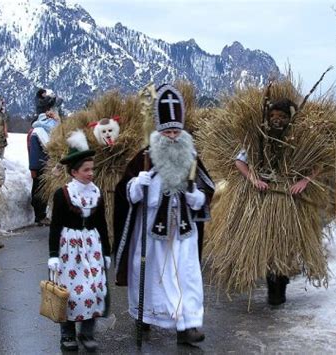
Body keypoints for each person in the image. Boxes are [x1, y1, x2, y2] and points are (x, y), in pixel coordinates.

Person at [113, 84, 214, 345]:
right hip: (150, 231)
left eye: (176, 131)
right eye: (167, 131)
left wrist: (196, 197)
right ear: (158, 131)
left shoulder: (191, 156)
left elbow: (206, 190)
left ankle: (187, 325)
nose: (172, 136)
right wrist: (137, 185)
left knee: (186, 277)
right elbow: (123, 193)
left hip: (183, 232)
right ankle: (144, 316)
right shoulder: (143, 158)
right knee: (150, 275)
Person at [235, 98, 318, 305]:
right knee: (269, 242)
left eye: (281, 116)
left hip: (290, 200)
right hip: (266, 199)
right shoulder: (259, 140)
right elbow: (238, 161)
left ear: (290, 118)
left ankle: (282, 281)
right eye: (272, 116)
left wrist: (304, 181)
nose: (276, 120)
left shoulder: (299, 139)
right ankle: (273, 285)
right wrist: (254, 179)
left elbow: (320, 162)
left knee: (286, 242)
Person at [47, 129, 111, 352]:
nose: (91, 173)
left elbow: (102, 223)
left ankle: (87, 331)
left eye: (92, 169)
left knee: (93, 289)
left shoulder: (96, 193)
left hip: (92, 247)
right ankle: (67, 332)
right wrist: (53, 255)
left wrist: (107, 251)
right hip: (70, 249)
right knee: (71, 292)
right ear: (74, 172)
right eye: (86, 170)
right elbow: (55, 226)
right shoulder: (63, 194)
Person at [28, 111, 59, 225]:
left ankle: (41, 214)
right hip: (40, 166)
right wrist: (33, 168)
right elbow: (35, 153)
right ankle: (40, 215)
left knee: (42, 190)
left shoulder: (43, 132)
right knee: (40, 191)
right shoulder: (39, 133)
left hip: (44, 165)